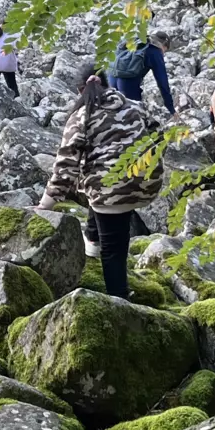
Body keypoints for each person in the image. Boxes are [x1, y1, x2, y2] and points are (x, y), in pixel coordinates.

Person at [37, 72, 162, 299]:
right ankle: (92, 239)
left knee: (114, 248)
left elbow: (66, 166)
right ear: (108, 85)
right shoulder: (134, 106)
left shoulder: (81, 116)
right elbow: (159, 134)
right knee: (100, 186)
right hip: (146, 182)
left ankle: (119, 299)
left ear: (79, 91)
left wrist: (45, 205)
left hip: (112, 189)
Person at [105, 31, 176, 114]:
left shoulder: (137, 41)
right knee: (134, 114)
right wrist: (171, 109)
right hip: (127, 83)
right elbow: (162, 82)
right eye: (165, 51)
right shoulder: (155, 51)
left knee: (114, 113)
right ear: (164, 46)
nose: (163, 53)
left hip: (111, 78)